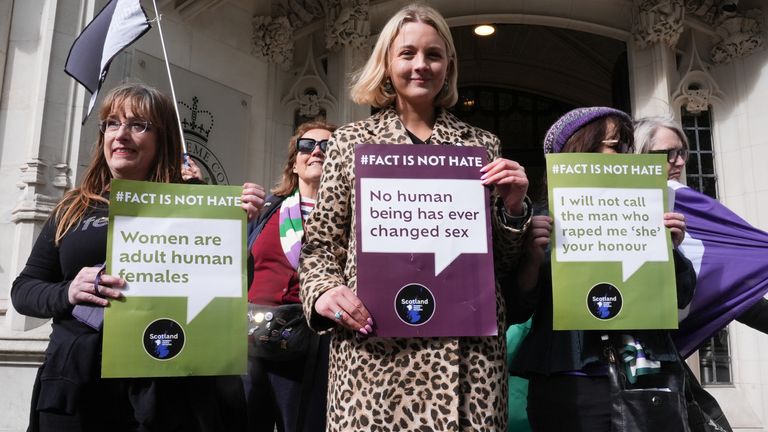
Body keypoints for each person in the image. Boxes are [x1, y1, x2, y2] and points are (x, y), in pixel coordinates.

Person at [298, 4, 531, 430]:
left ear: (449, 66)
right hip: (373, 359)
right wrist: (324, 291)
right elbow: (319, 248)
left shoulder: (480, 146)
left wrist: (513, 207)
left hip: (467, 361)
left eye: (433, 55)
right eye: (407, 54)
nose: (420, 65)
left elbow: (501, 263)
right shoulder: (351, 143)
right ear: (387, 63)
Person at [11, 83, 265, 432]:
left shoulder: (195, 204)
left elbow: (234, 287)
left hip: (167, 389)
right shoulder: (74, 207)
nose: (121, 135)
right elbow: (24, 290)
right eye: (112, 123)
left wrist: (232, 229)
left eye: (138, 125)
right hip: (78, 385)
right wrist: (68, 291)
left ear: (163, 138)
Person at [510, 107, 696, 431]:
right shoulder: (540, 221)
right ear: (578, 149)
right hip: (570, 384)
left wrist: (671, 250)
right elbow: (516, 307)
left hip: (647, 380)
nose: (623, 155)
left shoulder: (649, 209)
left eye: (626, 147)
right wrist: (531, 257)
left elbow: (680, 297)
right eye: (613, 145)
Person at [634, 115, 768, 333]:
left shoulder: (688, 205)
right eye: (667, 154)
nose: (679, 162)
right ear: (639, 155)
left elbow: (726, 283)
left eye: (681, 152)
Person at [245, 120, 336, 432]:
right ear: (294, 163)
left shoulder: (351, 217)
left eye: (328, 146)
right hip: (248, 342)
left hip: (308, 346)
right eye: (307, 146)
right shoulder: (267, 209)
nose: (317, 152)